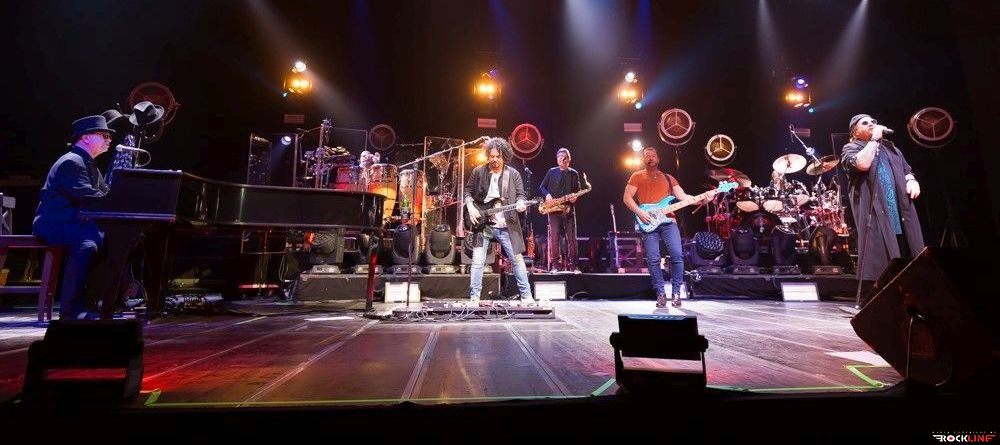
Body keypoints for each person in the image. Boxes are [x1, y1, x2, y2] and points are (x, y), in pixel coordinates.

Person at [32, 115, 114, 320]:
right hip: (55, 223)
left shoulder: (90, 164)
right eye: (103, 135)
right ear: (85, 137)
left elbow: (104, 193)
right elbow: (89, 197)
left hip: (73, 222)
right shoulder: (72, 162)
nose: (109, 139)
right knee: (87, 242)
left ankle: (97, 302)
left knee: (113, 241)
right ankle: (71, 310)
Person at [841, 114, 924, 282]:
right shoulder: (851, 148)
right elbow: (862, 164)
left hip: (899, 212)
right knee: (884, 262)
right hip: (876, 212)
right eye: (865, 123)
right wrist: (873, 140)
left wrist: (911, 180)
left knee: (908, 255)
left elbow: (907, 170)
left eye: (873, 121)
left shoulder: (891, 149)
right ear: (855, 132)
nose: (871, 124)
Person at [623, 146, 702, 309]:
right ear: (643, 160)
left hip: (669, 222)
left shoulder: (668, 178)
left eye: (653, 155)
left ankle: (676, 293)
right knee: (653, 259)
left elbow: (683, 197)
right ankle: (660, 293)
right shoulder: (636, 176)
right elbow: (627, 198)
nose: (650, 157)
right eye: (647, 155)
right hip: (648, 221)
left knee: (677, 255)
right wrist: (640, 212)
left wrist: (701, 199)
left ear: (658, 159)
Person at [463, 137, 534, 305]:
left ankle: (527, 297)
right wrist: (470, 206)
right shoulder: (478, 172)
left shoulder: (513, 174)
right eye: (491, 156)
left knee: (517, 261)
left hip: (507, 225)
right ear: (488, 156)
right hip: (483, 224)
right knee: (477, 262)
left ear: (504, 156)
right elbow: (467, 191)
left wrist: (521, 203)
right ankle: (474, 298)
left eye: (498, 156)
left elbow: (521, 195)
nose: (494, 159)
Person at [538, 148, 582, 273]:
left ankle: (575, 266)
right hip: (554, 210)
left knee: (571, 239)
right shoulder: (552, 172)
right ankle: (555, 266)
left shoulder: (574, 173)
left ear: (569, 159)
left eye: (564, 156)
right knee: (555, 239)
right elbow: (542, 187)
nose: (561, 159)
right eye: (559, 156)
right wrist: (547, 195)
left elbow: (577, 190)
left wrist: (575, 197)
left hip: (568, 210)